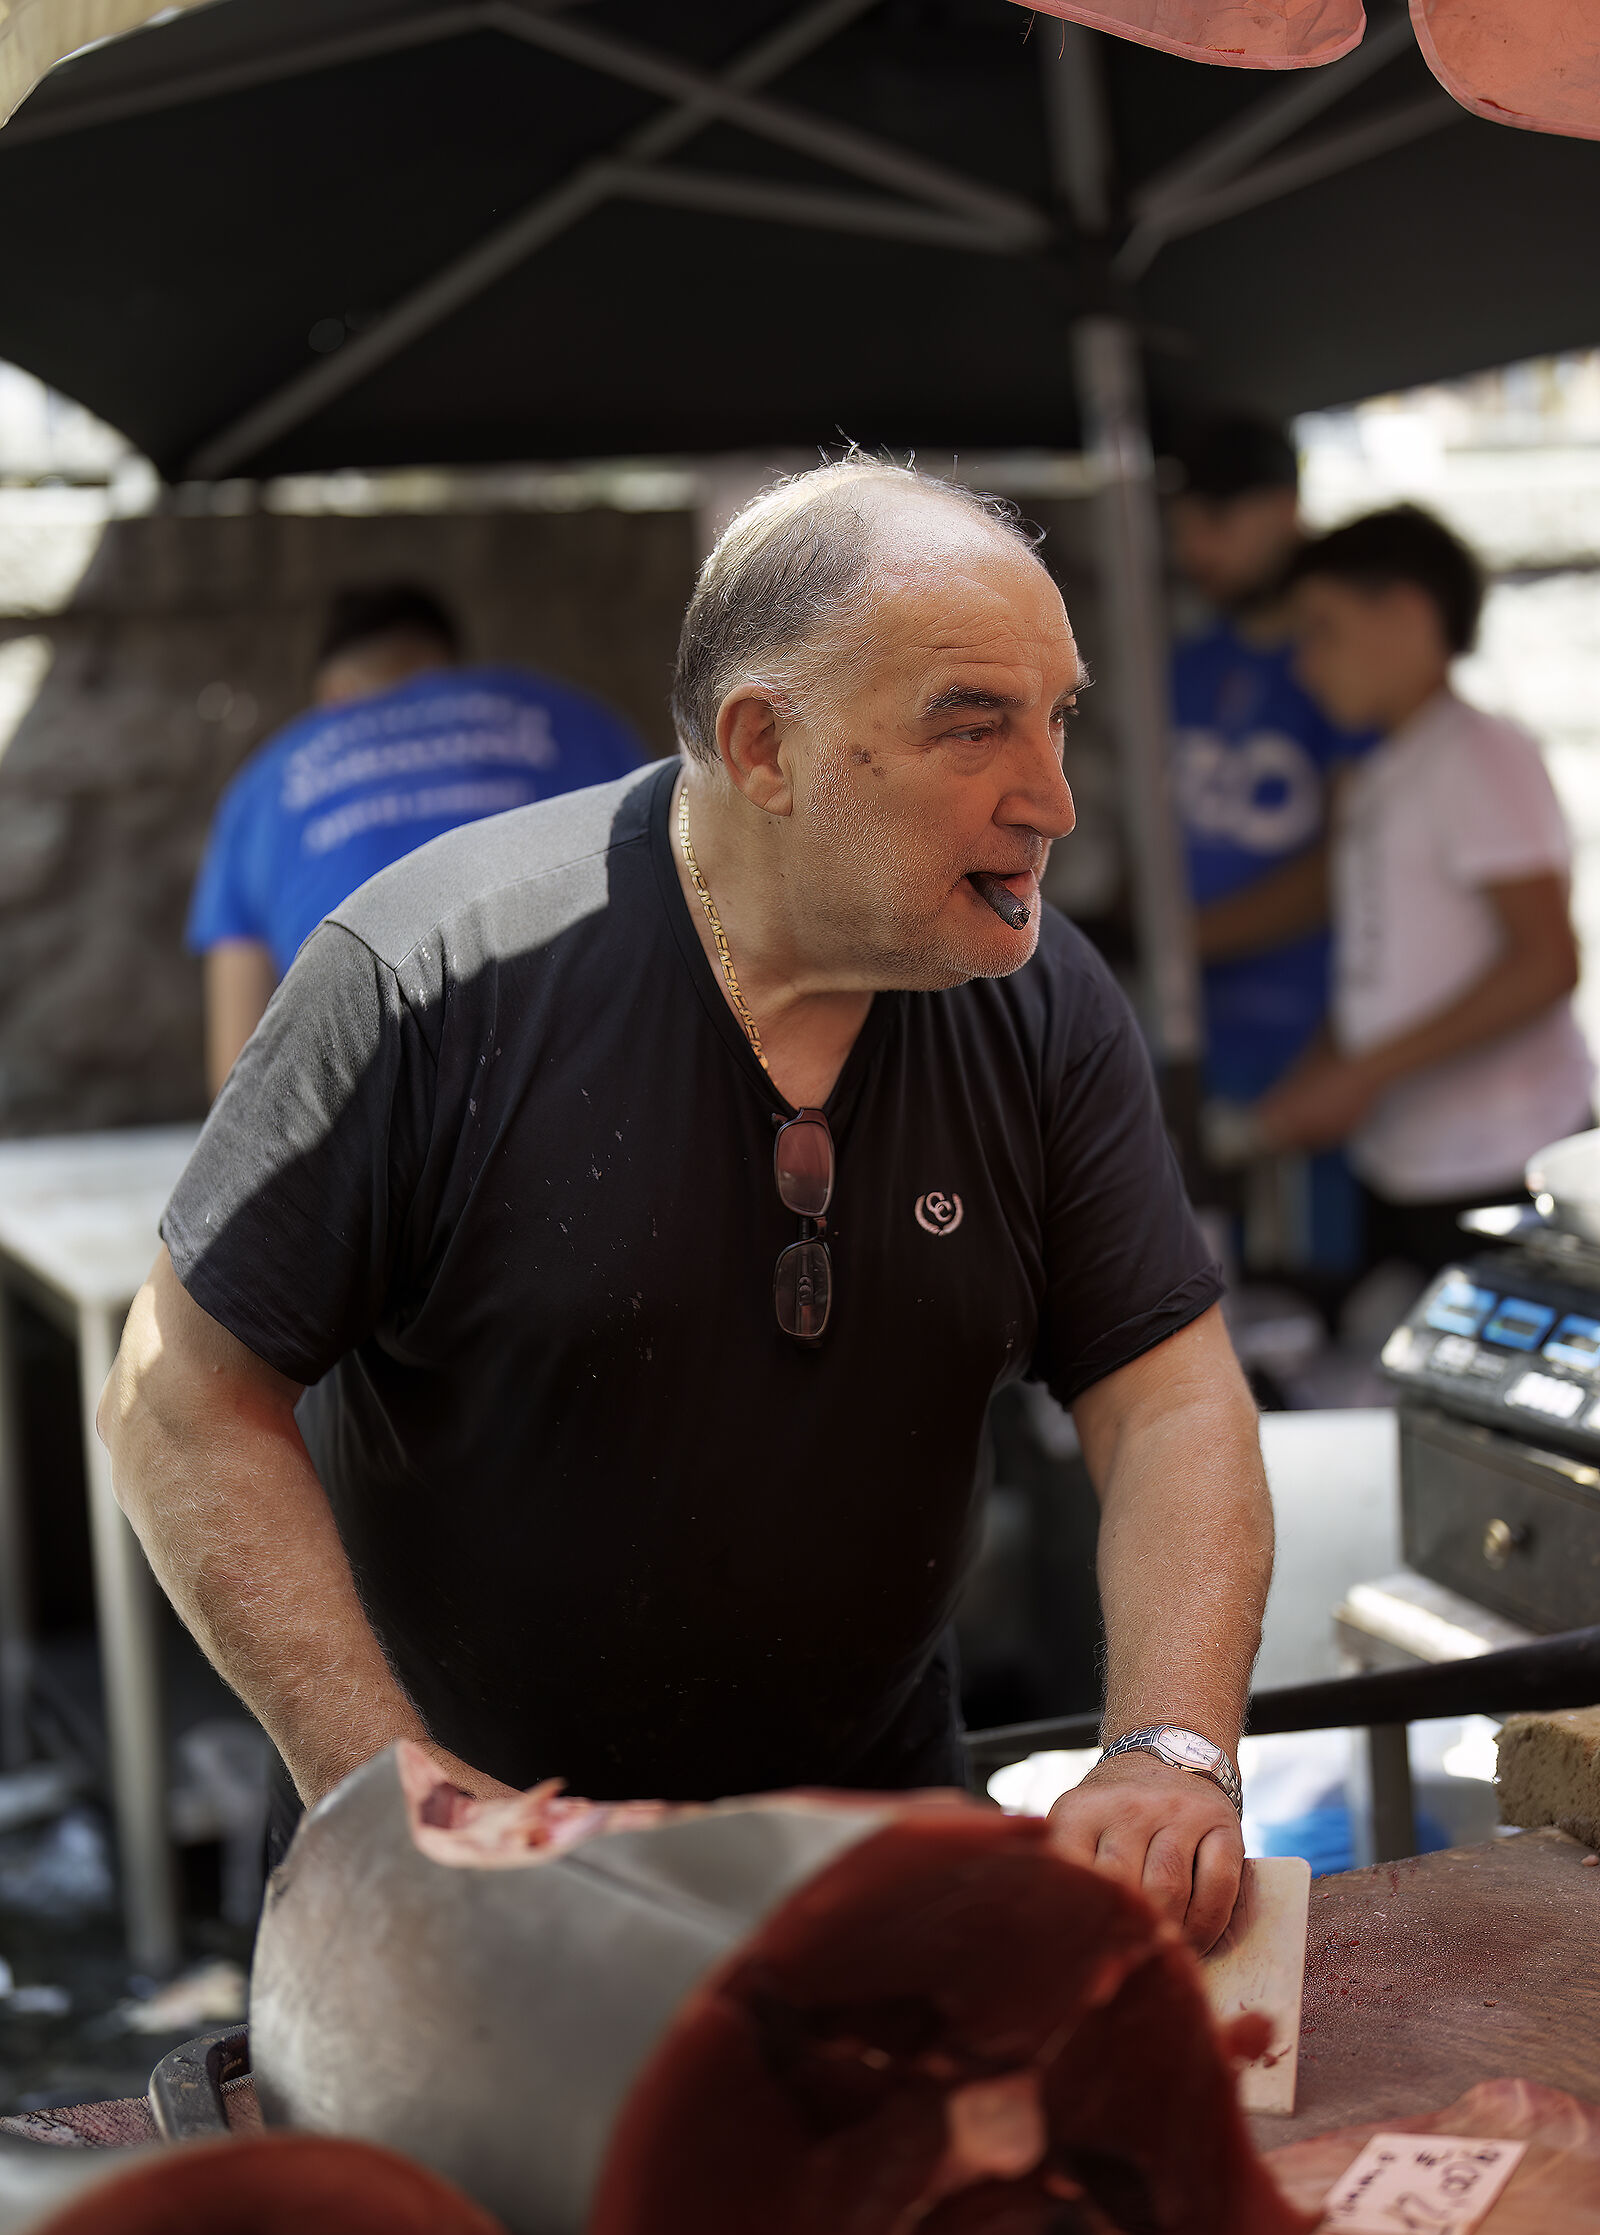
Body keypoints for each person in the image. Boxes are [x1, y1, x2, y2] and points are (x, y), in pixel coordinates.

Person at [101, 462, 1273, 1952]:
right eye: (972, 724)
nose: (1050, 798)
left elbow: (1168, 1399)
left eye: (1060, 718)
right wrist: (390, 1792)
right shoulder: (432, 975)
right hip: (476, 1891)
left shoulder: (1043, 999)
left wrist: (1170, 1748)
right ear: (762, 745)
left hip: (875, 1855)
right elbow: (178, 1400)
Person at [1257, 504, 1593, 1276]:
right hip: (1407, 1157)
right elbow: (1379, 960)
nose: (1307, 664)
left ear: (1408, 614)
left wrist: (1360, 1076)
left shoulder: (1481, 752)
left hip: (1503, 1161)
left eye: (1324, 630)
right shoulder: (1384, 770)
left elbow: (1546, 963)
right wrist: (1327, 1069)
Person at [188, 581, 646, 1093]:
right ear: (449, 667)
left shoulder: (260, 789)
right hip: (579, 1083)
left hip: (366, 1117)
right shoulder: (581, 723)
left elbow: (237, 1080)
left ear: (334, 695)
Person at [1168, 420, 1372, 1271]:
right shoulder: (1185, 660)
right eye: (1182, 519)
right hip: (1192, 1033)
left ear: (1284, 507)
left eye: (1215, 517)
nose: (1192, 545)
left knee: (1311, 1284)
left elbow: (1354, 866)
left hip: (1320, 1038)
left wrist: (1180, 939)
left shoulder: (1346, 664)